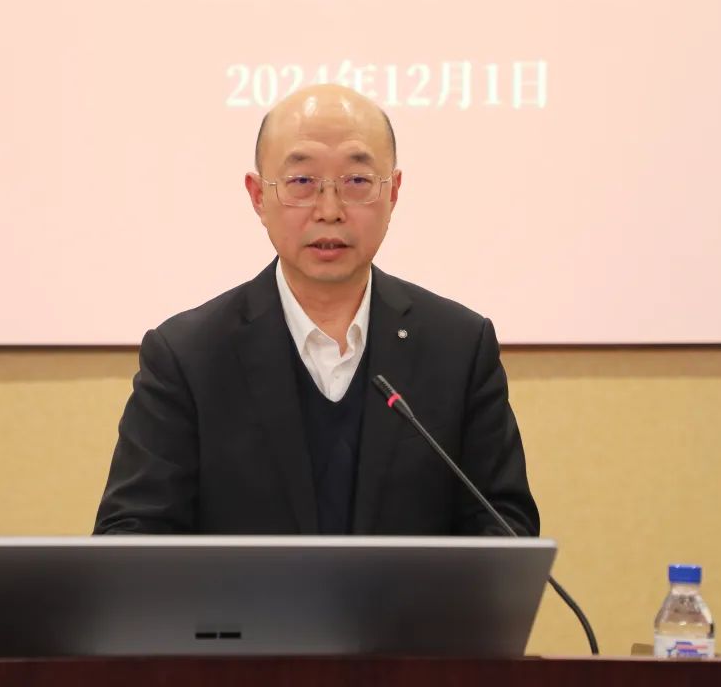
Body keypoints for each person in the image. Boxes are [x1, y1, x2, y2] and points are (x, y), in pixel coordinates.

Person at [94, 85, 539, 536]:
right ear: (258, 196)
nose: (330, 210)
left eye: (357, 182)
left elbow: (505, 530)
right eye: (302, 182)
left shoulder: (458, 348)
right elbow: (131, 536)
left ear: (393, 193)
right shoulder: (188, 357)